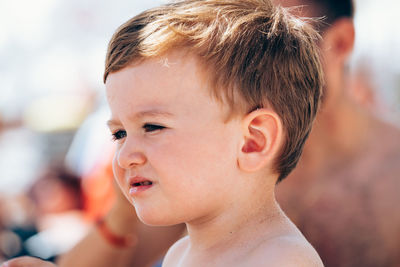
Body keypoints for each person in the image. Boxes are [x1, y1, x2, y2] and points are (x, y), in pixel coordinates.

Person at [1, 0, 325, 266]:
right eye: (119, 134)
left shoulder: (281, 258)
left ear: (253, 142)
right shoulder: (179, 254)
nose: (125, 156)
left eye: (152, 127)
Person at [274, 0, 400, 266]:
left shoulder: (394, 174)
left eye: (280, 45)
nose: (255, 70)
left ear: (341, 42)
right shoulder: (223, 165)